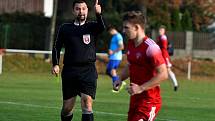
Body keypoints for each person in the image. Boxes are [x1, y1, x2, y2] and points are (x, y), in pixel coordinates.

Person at [51, 0, 105, 121]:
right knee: (67, 108)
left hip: (88, 71)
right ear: (73, 11)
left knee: (87, 104)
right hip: (70, 71)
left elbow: (102, 28)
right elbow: (56, 47)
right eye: (78, 9)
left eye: (83, 9)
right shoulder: (65, 28)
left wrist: (98, 14)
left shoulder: (92, 26)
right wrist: (55, 64)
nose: (81, 11)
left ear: (87, 10)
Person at [114, 11, 168, 121]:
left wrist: (141, 88)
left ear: (137, 27)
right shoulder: (131, 43)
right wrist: (120, 78)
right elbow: (130, 65)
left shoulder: (151, 48)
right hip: (135, 99)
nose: (123, 31)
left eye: (126, 27)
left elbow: (163, 74)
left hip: (149, 100)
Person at [157, 25, 179, 91]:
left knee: (168, 70)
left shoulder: (163, 37)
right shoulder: (159, 37)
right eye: (159, 30)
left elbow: (164, 47)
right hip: (160, 56)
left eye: (161, 30)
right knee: (158, 70)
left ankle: (175, 84)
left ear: (164, 31)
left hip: (164, 56)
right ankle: (157, 85)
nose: (160, 31)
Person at [106, 25, 126, 93]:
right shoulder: (114, 36)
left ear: (112, 30)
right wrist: (110, 54)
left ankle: (116, 86)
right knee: (108, 71)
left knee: (112, 71)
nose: (109, 33)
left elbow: (121, 46)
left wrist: (113, 52)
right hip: (113, 57)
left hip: (116, 57)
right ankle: (119, 81)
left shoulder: (118, 36)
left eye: (109, 32)